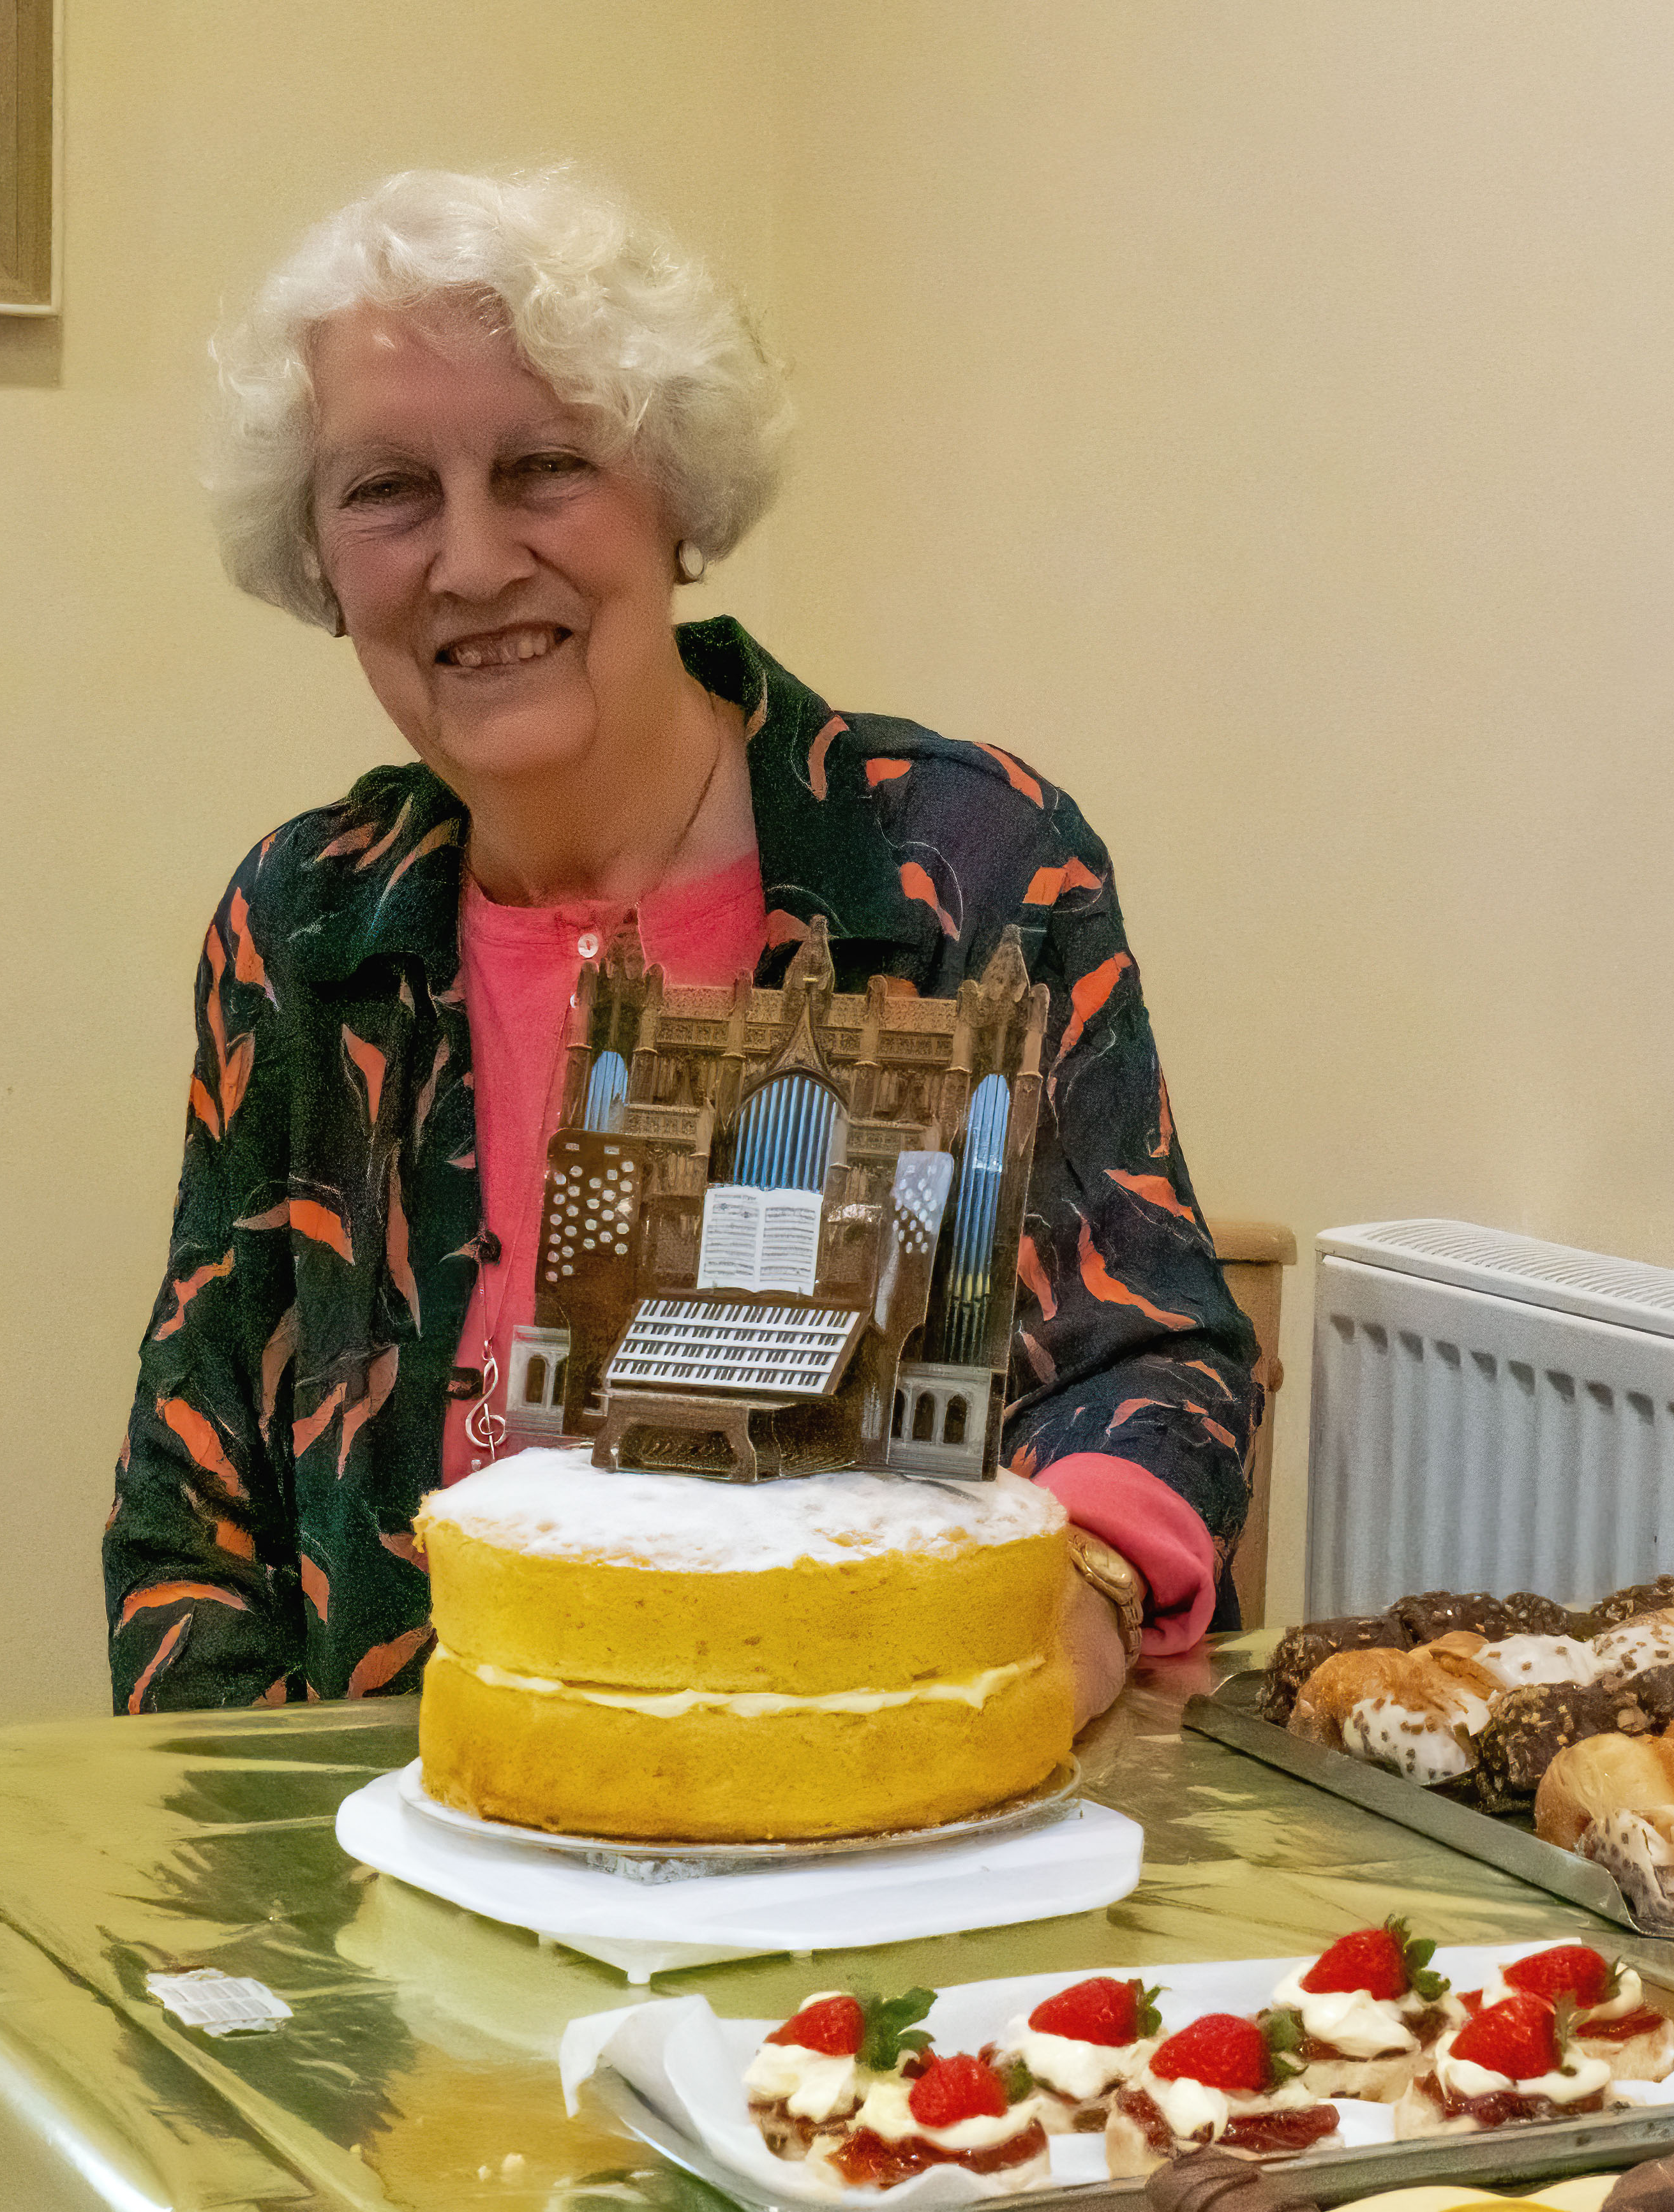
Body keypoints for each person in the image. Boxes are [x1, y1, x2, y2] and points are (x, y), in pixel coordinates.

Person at [106, 167, 1260, 1726]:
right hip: (418, 1841)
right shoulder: (307, 923)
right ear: (318, 561)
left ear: (676, 499)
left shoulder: (964, 867)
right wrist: (264, 1893)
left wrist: (1057, 1630)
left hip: (887, 1819)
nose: (469, 560)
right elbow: (196, 1507)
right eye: (386, 490)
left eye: (543, 467)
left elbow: (1151, 1362)